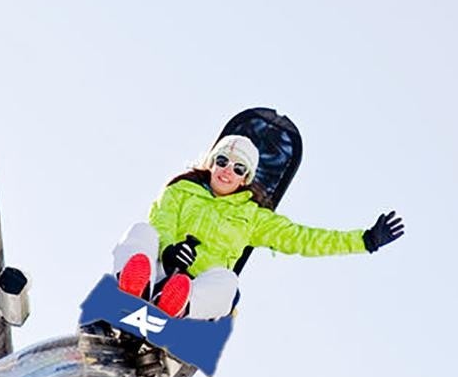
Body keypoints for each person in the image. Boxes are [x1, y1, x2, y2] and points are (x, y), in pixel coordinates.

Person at [113, 134, 404, 318]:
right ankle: (133, 285)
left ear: (246, 178)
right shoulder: (181, 190)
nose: (228, 171)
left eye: (238, 168)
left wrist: (364, 240)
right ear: (211, 162)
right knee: (142, 232)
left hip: (194, 285)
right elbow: (161, 221)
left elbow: (302, 238)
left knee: (228, 283)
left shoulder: (253, 217)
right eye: (223, 161)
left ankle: (176, 303)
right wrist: (168, 250)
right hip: (159, 270)